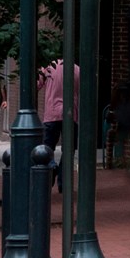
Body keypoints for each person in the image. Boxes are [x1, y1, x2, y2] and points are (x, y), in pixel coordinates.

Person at [39, 59, 77, 190]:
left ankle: (51, 165)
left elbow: (36, 85)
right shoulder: (77, 70)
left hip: (51, 114)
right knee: (68, 150)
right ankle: (63, 183)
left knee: (47, 148)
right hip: (70, 115)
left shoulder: (48, 68)